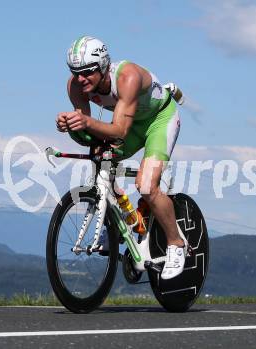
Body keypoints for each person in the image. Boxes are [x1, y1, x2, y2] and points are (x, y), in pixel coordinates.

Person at [56, 36, 187, 280]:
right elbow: (88, 136)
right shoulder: (75, 86)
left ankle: (176, 243)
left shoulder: (127, 77)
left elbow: (119, 131)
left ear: (104, 65)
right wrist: (72, 127)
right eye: (75, 72)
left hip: (159, 120)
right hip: (130, 123)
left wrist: (85, 122)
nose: (80, 78)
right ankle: (117, 222)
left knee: (147, 185)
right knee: (100, 160)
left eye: (87, 72)